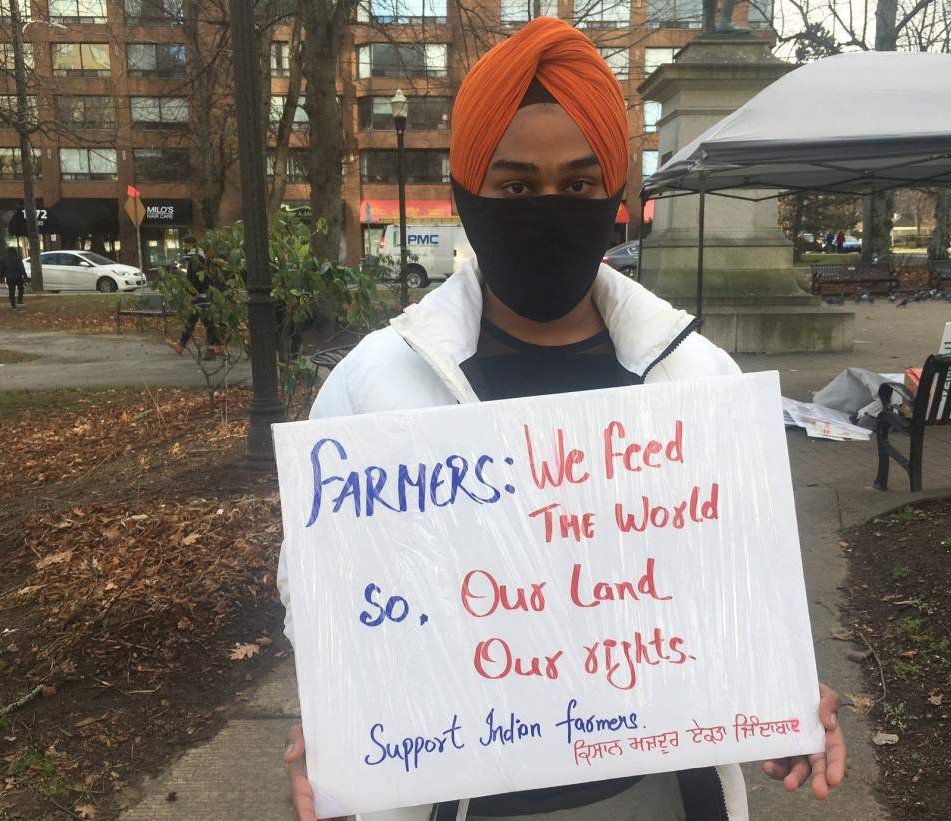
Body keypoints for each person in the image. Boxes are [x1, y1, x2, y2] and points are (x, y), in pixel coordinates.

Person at [278, 17, 844, 821]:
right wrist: (335, 722)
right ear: (470, 193)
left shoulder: (697, 379)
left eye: (579, 185)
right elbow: (318, 591)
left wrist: (779, 693)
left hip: (657, 800)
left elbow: (736, 588)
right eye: (514, 185)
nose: (549, 207)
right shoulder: (377, 384)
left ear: (614, 192)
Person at [165, 236, 223, 359]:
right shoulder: (200, 257)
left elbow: (197, 279)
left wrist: (192, 292)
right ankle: (214, 346)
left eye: (184, 245)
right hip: (204, 294)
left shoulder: (196, 258)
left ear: (189, 245)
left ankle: (213, 347)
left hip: (201, 294)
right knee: (196, 320)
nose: (183, 248)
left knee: (204, 321)